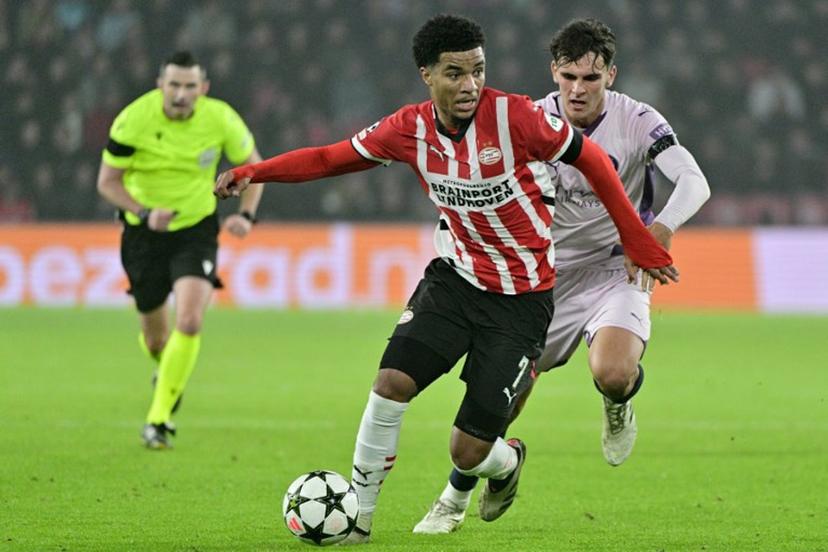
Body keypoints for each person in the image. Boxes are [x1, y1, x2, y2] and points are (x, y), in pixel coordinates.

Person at [214, 14, 677, 543]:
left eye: (477, 70)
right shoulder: (406, 129)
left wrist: (636, 235)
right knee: (390, 385)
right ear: (426, 75)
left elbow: (592, 159)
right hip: (454, 282)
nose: (469, 85)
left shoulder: (516, 118)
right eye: (454, 73)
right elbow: (328, 158)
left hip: (522, 301)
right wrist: (257, 171)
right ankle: (360, 519)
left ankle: (506, 464)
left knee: (469, 451)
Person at [413, 18, 711, 534]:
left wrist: (659, 230)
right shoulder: (529, 119)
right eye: (568, 76)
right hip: (543, 277)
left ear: (610, 76)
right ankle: (457, 495)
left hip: (618, 266)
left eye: (590, 79)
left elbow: (693, 180)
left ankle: (618, 404)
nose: (578, 89)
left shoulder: (639, 121)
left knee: (613, 372)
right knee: (504, 399)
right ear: (554, 71)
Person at [97, 51, 263, 450]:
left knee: (189, 320)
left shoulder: (220, 117)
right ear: (161, 85)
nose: (181, 94)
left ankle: (159, 420)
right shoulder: (133, 119)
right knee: (157, 341)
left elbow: (253, 167)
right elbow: (107, 181)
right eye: (174, 85)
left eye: (190, 86)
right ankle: (167, 373)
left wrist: (246, 215)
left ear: (202, 89)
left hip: (196, 230)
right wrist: (143, 211)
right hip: (142, 234)